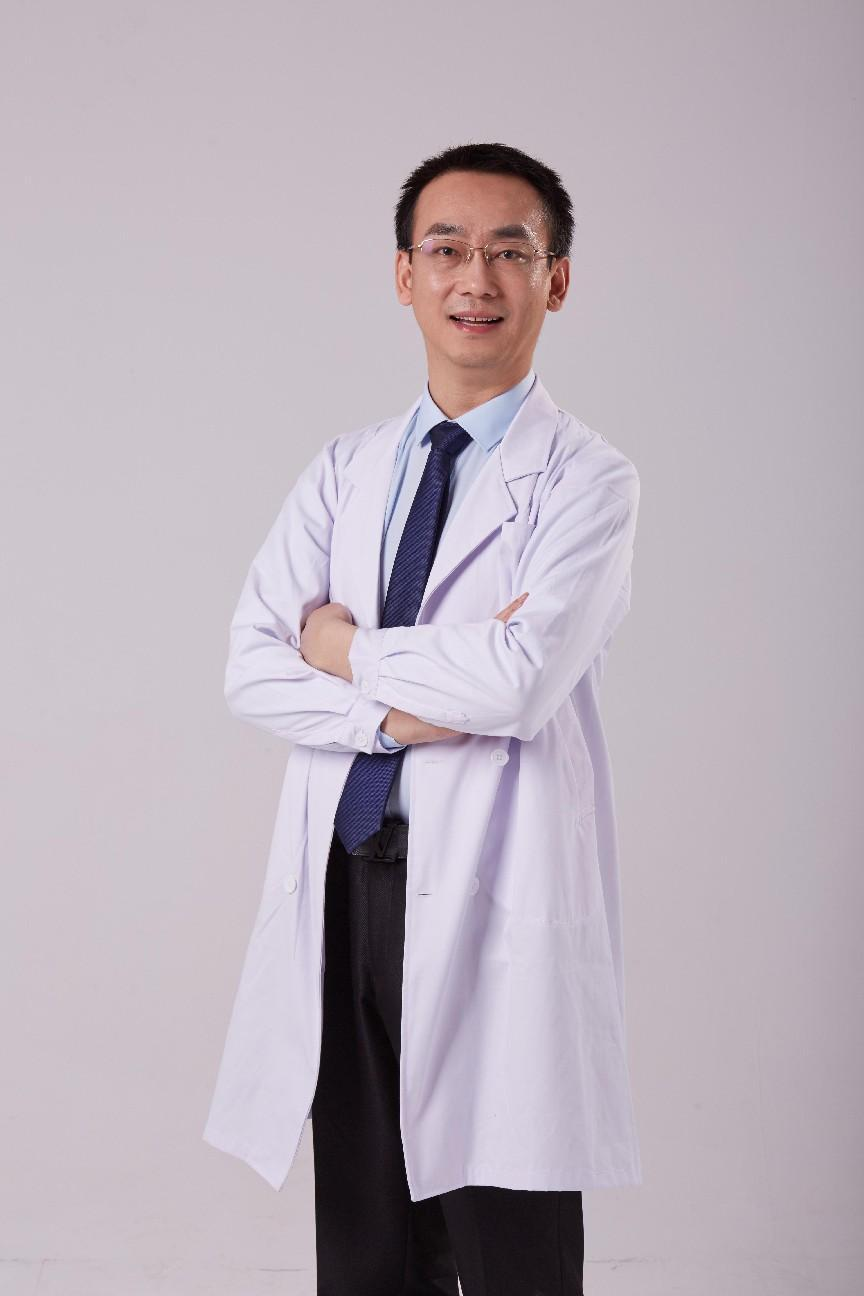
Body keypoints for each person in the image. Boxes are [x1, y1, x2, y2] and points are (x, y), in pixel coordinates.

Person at [203, 141, 643, 1295]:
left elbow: (517, 682)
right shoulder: (344, 470)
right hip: (346, 883)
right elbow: (251, 666)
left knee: (508, 1246)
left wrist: (345, 650)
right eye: (447, 250)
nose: (475, 279)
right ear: (406, 276)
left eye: (511, 252)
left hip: (494, 892)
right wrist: (395, 719)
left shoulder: (589, 482)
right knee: (367, 1246)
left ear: (556, 280)